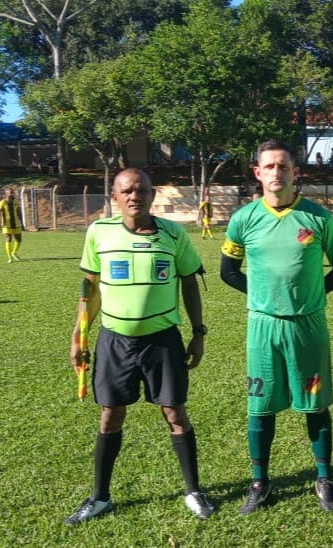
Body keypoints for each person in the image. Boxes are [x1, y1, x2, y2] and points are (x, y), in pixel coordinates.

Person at [65, 168, 215, 525]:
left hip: (162, 340)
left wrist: (198, 332)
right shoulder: (99, 232)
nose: (135, 196)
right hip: (114, 340)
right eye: (127, 191)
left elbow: (189, 282)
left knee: (174, 413)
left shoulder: (173, 234)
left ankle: (193, 491)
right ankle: (99, 497)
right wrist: (79, 334)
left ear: (153, 195)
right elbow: (90, 289)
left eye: (142, 190)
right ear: (114, 196)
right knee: (111, 414)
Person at [220, 141, 333, 515]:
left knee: (315, 403)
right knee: (260, 406)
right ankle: (259, 482)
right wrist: (264, 297)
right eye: (269, 166)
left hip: (307, 326)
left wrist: (310, 296)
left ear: (295, 172)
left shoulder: (318, 218)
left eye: (283, 166)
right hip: (262, 328)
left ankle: (324, 477)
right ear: (257, 173)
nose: (276, 172)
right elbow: (228, 271)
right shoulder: (243, 219)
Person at [0, 187, 24, 263]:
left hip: (16, 224)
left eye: (12, 192)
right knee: (8, 239)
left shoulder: (16, 202)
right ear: (6, 193)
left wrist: (22, 222)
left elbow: (19, 213)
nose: (12, 193)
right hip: (6, 225)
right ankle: (9, 258)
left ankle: (14, 253)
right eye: (10, 192)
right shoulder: (2, 202)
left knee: (19, 239)